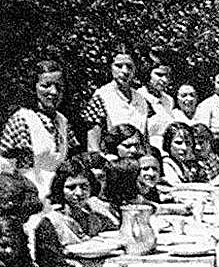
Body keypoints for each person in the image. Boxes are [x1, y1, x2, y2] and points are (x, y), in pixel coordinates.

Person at [0, 60, 77, 199]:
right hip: (28, 197)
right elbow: (11, 171)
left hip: (60, 195)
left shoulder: (62, 122)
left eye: (59, 87)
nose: (53, 92)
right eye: (46, 86)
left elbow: (69, 166)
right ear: (33, 88)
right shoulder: (23, 120)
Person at [82, 47, 161, 152]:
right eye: (118, 66)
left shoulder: (141, 99)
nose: (125, 71)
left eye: (129, 66)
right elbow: (93, 145)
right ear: (110, 68)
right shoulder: (102, 96)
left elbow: (145, 140)